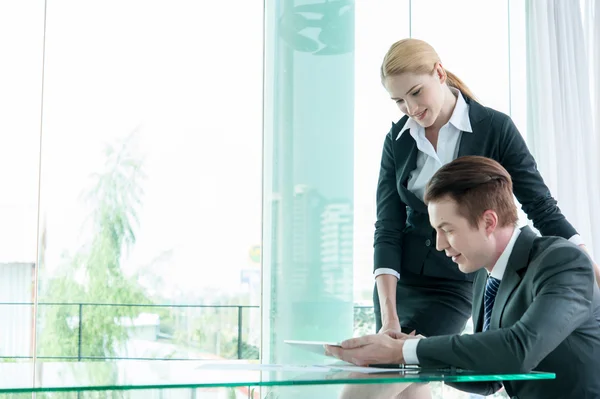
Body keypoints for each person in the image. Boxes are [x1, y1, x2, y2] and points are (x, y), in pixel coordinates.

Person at [372, 37, 600, 344]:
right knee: (408, 383)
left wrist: (592, 270)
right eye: (399, 101)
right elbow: (387, 227)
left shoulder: (494, 128)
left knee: (402, 367)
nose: (411, 109)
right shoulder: (397, 141)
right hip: (398, 284)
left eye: (415, 93)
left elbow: (541, 207)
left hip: (454, 282)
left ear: (439, 73)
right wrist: (389, 316)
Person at [329, 156, 600, 398]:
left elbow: (519, 350)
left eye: (447, 229)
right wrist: (410, 352)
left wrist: (406, 351)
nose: (438, 244)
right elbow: (489, 380)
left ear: (489, 222)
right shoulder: (485, 278)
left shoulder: (563, 262)